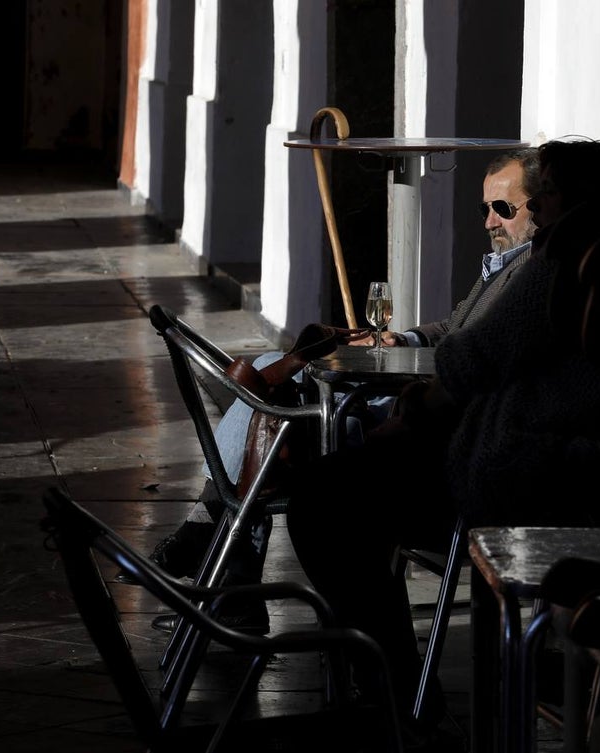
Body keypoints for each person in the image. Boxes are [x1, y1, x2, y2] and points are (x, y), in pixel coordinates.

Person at [285, 138, 600, 729]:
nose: (538, 210)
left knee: (325, 498)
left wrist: (418, 412)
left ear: (572, 199)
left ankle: (397, 698)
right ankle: (396, 692)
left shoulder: (570, 262)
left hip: (529, 483)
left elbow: (474, 357)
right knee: (343, 484)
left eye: (545, 195)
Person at [148, 147, 543, 632]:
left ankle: (215, 534)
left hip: (435, 430)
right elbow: (457, 329)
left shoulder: (532, 274)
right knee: (277, 377)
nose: (488, 222)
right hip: (428, 405)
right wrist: (409, 338)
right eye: (484, 208)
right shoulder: (504, 264)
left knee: (282, 420)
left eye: (503, 209)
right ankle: (229, 565)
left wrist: (418, 372)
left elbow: (477, 355)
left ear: (542, 208)